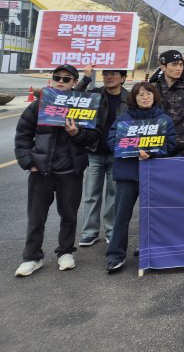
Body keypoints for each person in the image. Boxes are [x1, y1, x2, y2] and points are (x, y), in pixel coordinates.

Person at [14, 64, 101, 277]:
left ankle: (65, 252)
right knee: (36, 217)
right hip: (40, 172)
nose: (61, 81)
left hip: (70, 172)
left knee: (69, 215)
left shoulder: (84, 105)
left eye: (66, 79)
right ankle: (32, 257)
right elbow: (22, 136)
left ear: (74, 83)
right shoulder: (37, 106)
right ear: (52, 80)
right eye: (57, 78)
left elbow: (93, 137)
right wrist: (29, 162)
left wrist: (77, 133)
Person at [106, 82, 177, 273]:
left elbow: (171, 144)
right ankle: (115, 255)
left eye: (148, 94)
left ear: (154, 96)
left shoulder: (164, 119)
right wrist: (131, 149)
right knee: (121, 216)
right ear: (134, 98)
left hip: (153, 174)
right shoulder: (123, 119)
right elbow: (112, 141)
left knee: (153, 216)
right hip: (127, 174)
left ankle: (152, 251)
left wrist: (153, 152)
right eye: (140, 95)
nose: (145, 97)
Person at [74, 65, 129, 247]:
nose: (108, 77)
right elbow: (71, 98)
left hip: (118, 154)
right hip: (94, 152)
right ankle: (90, 232)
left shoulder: (129, 98)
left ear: (123, 78)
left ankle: (111, 230)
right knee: (91, 194)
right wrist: (87, 78)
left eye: (114, 73)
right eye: (106, 73)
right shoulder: (95, 94)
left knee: (114, 195)